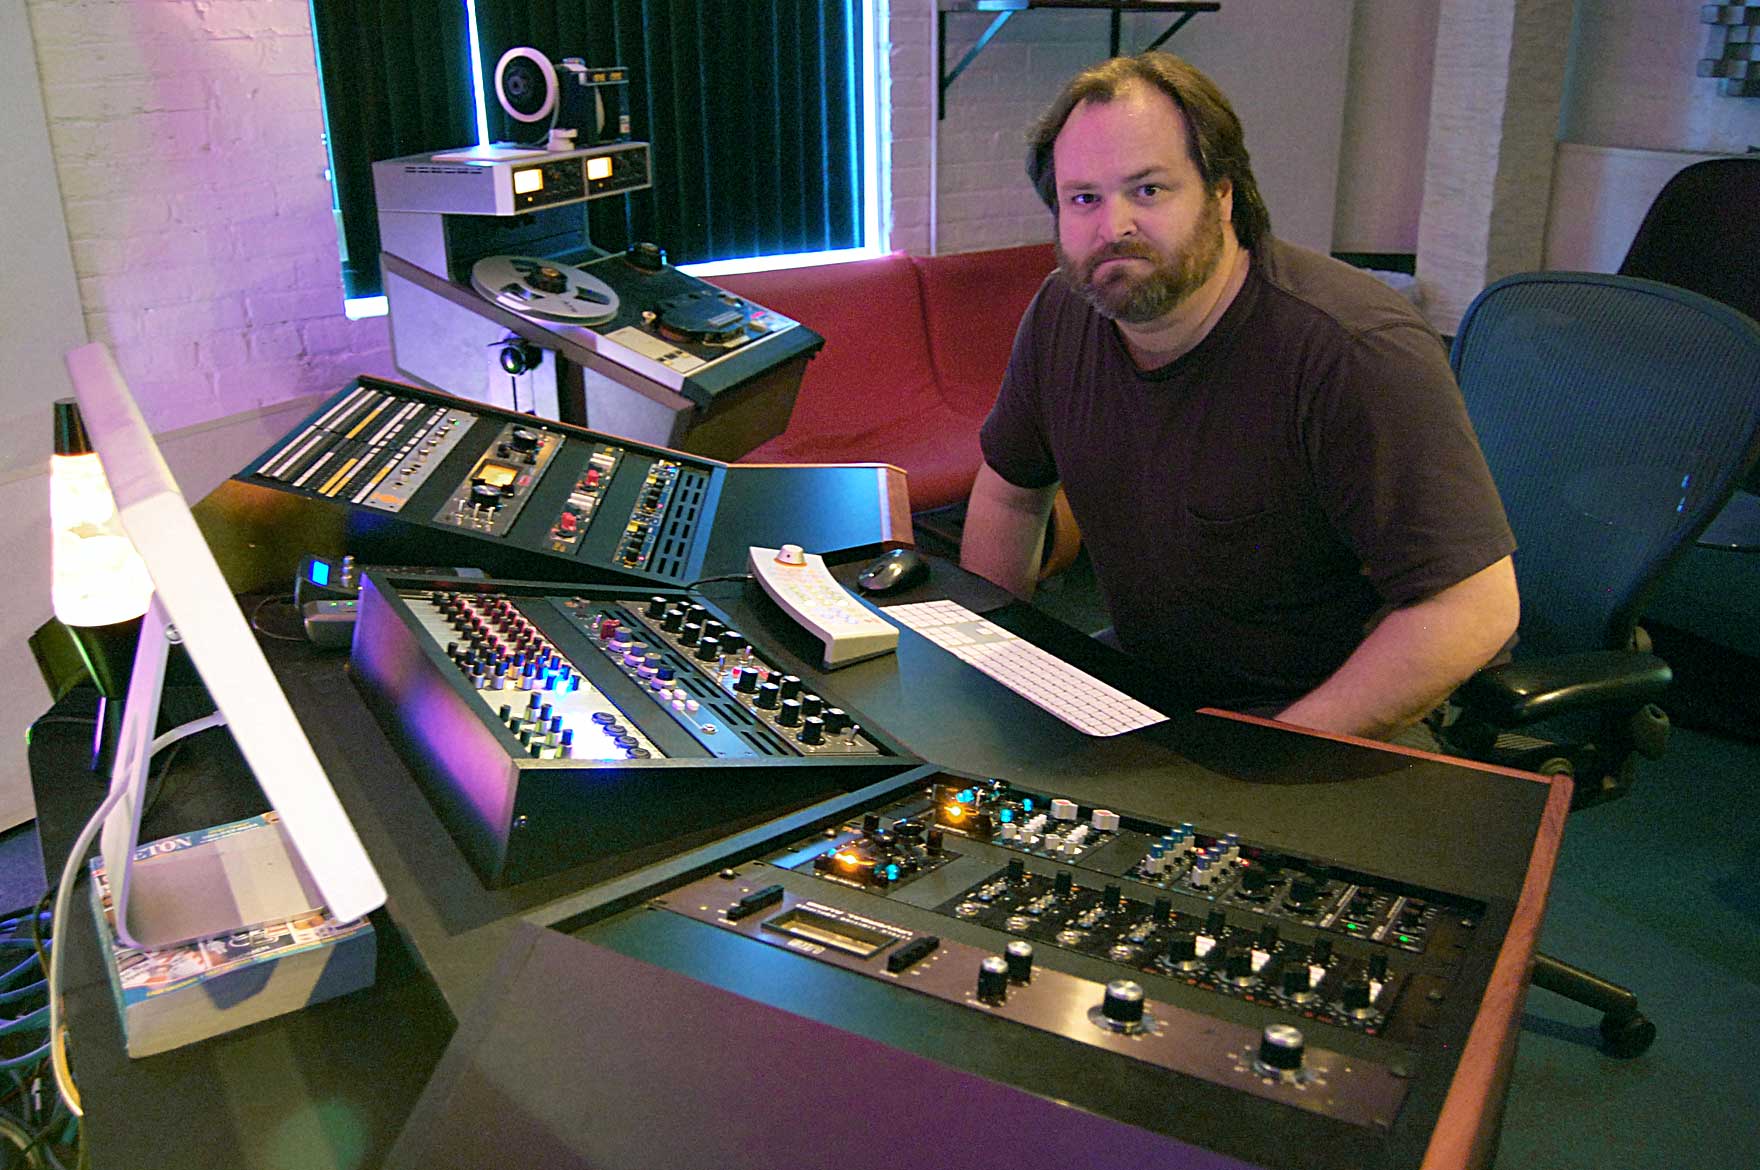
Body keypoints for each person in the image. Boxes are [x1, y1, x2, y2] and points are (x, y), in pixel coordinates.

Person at [960, 51, 1519, 743]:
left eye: (1149, 190)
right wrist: (990, 670)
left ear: (1222, 195)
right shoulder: (1062, 313)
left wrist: (1268, 750)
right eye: (1084, 199)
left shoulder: (1351, 349)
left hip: (1330, 714)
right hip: (1159, 681)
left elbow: (1475, 606)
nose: (1114, 227)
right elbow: (1012, 496)